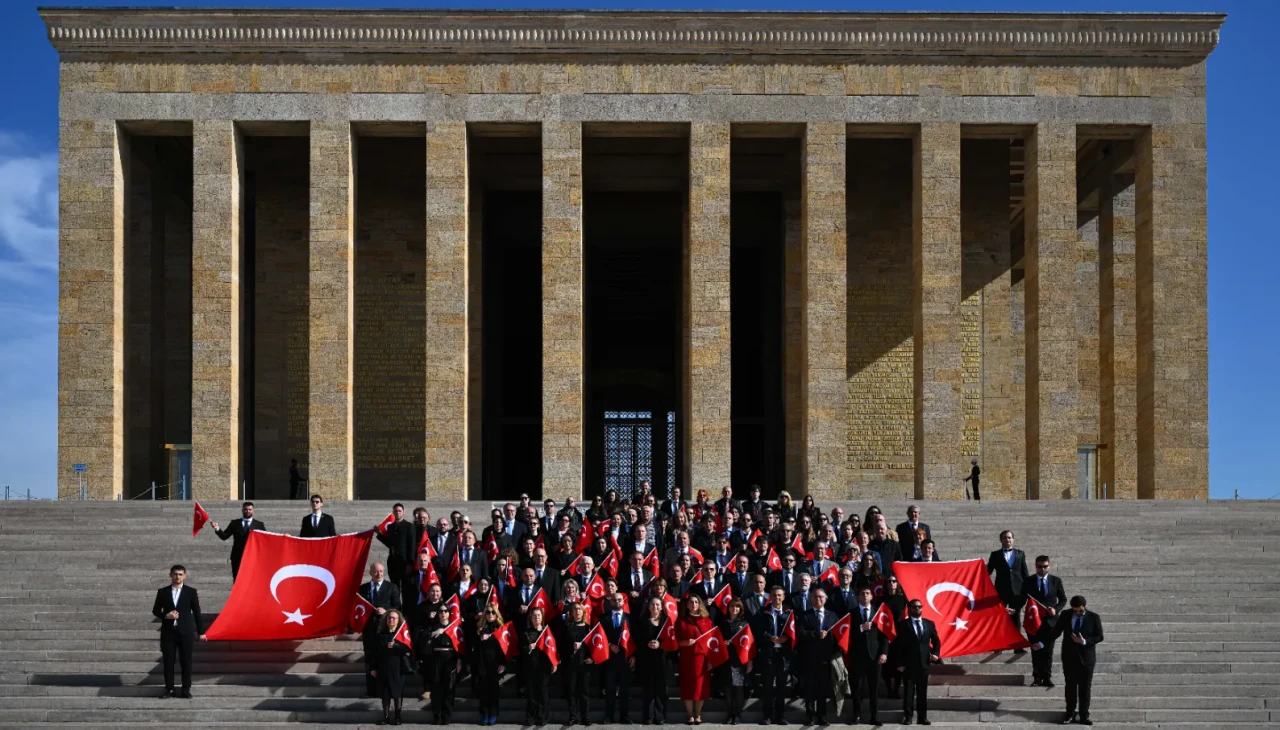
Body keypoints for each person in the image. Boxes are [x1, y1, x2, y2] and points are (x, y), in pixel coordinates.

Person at [1032, 595, 1103, 726]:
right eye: (1075, 611)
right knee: (1070, 688)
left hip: (1086, 659)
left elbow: (1099, 636)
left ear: (1084, 607)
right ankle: (1070, 713)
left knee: (1085, 688)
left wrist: (1084, 641)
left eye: (1080, 611)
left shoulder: (1094, 617)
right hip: (1069, 658)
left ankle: (1083, 715)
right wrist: (1042, 644)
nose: (1078, 613)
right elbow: (1055, 632)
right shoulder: (1065, 615)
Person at [151, 564, 205, 698]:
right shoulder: (163, 592)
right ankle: (169, 689)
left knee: (186, 661)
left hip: (185, 632)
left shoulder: (191, 592)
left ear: (185, 576)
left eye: (180, 574)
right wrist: (166, 615)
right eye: (175, 574)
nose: (177, 577)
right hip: (169, 632)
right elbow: (156, 610)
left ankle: (186, 689)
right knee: (168, 661)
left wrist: (201, 632)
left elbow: (197, 613)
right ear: (170, 575)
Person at [894, 599, 941, 726]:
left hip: (923, 664)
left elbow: (936, 641)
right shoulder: (903, 625)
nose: (917, 609)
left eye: (920, 607)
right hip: (908, 664)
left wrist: (936, 654)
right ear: (909, 608)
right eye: (914, 607)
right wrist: (899, 663)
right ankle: (908, 717)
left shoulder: (929, 624)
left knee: (922, 692)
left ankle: (922, 717)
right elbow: (897, 646)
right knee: (908, 692)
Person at [360, 563, 404, 698]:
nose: (379, 574)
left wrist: (387, 611)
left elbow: (398, 606)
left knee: (384, 659)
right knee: (369, 658)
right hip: (369, 630)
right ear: (370, 572)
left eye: (381, 571)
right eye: (376, 571)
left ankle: (385, 689)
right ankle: (371, 689)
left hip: (386, 629)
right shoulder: (363, 588)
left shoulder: (391, 587)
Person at [750, 586, 792, 725]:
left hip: (783, 655)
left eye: (779, 595)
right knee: (767, 686)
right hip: (768, 654)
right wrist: (769, 637)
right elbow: (757, 632)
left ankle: (780, 716)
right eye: (774, 595)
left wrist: (786, 638)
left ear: (784, 597)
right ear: (770, 597)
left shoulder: (789, 613)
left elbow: (794, 631)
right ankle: (767, 716)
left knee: (781, 687)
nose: (777, 598)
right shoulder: (763, 613)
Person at [797, 587, 838, 725]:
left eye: (821, 597)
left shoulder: (832, 615)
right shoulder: (804, 615)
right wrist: (815, 635)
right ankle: (810, 716)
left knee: (822, 688)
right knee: (809, 689)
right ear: (811, 599)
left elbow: (838, 635)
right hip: (809, 657)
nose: (818, 599)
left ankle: (822, 716)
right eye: (815, 597)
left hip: (825, 657)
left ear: (826, 599)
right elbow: (800, 633)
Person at [1026, 555, 1068, 688]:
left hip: (1051, 622)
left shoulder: (1056, 581)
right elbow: (1021, 597)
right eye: (1039, 566)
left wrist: (1056, 609)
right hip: (1034, 621)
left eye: (1045, 566)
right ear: (1035, 566)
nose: (1042, 569)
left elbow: (1063, 599)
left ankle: (1047, 678)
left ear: (1049, 565)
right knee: (1035, 650)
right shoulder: (1029, 581)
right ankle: (1037, 678)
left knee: (1048, 650)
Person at [847, 587, 887, 726]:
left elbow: (884, 636)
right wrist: (860, 628)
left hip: (875, 657)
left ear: (871, 597)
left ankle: (874, 717)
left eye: (867, 594)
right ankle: (857, 716)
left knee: (873, 689)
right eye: (862, 594)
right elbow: (847, 634)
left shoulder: (878, 613)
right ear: (858, 597)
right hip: (857, 657)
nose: (865, 596)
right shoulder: (851, 613)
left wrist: (884, 652)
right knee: (857, 688)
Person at [987, 530, 1030, 653]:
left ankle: (1017, 646)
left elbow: (1024, 572)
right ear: (1001, 540)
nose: (1008, 540)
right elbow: (988, 571)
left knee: (1016, 618)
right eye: (1005, 538)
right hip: (1001, 590)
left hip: (1017, 591)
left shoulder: (1020, 554)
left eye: (1010, 538)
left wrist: (1027, 589)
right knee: (1000, 618)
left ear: (1013, 539)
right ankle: (998, 645)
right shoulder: (995, 555)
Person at [676, 593, 715, 724]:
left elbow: (712, 642)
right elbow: (675, 641)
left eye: (696, 602)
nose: (693, 604)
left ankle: (698, 714)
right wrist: (685, 642)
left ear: (700, 604)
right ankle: (689, 715)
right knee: (688, 686)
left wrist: (710, 660)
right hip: (687, 658)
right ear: (687, 605)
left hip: (702, 659)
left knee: (700, 687)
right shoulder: (681, 621)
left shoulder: (707, 621)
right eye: (691, 602)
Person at [635, 596, 671, 725]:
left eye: (657, 605)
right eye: (652, 604)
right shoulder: (642, 621)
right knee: (648, 690)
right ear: (648, 606)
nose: (655, 607)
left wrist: (660, 645)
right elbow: (637, 640)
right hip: (646, 660)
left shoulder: (667, 621)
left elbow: (671, 641)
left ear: (661, 607)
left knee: (661, 690)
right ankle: (648, 716)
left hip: (662, 661)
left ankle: (659, 716)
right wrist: (647, 644)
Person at [373, 609, 412, 725]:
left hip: (398, 667)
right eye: (389, 618)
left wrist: (396, 645)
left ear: (398, 620)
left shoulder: (402, 634)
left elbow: (408, 649)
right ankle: (385, 717)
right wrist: (373, 668)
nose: (391, 620)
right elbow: (375, 653)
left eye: (394, 618)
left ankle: (398, 717)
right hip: (384, 667)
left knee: (397, 693)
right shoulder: (381, 635)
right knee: (385, 694)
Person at [602, 592, 635, 723]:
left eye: (619, 600)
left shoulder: (630, 619)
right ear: (610, 602)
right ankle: (609, 716)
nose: (617, 602)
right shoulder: (603, 618)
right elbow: (600, 637)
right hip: (609, 658)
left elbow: (635, 638)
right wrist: (609, 645)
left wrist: (633, 655)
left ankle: (624, 716)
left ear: (623, 602)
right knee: (610, 689)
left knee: (625, 689)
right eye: (614, 600)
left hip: (626, 658)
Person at [210, 501, 264, 580]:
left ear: (253, 510)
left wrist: (283, 537)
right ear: (242, 510)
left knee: (251, 580)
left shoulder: (259, 524)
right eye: (246, 509)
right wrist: (217, 528)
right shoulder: (234, 523)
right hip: (237, 557)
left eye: (250, 509)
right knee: (237, 580)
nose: (248, 511)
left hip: (252, 557)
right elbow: (224, 536)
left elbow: (265, 539)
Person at [561, 601, 594, 726]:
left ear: (583, 611)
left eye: (579, 609)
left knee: (584, 692)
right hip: (570, 665)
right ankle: (573, 716)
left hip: (585, 665)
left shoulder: (589, 628)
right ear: (571, 613)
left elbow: (595, 646)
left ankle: (585, 716)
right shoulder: (566, 628)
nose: (577, 611)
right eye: (575, 609)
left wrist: (592, 658)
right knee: (572, 691)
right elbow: (560, 646)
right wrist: (571, 646)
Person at [426, 606, 460, 725]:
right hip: (436, 658)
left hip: (450, 658)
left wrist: (459, 660)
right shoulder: (433, 626)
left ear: (449, 613)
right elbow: (424, 639)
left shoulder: (454, 626)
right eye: (441, 611)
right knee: (436, 689)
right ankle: (437, 715)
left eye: (445, 611)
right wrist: (435, 632)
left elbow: (459, 644)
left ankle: (446, 716)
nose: (443, 613)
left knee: (449, 689)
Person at [522, 606, 555, 726]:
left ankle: (542, 717)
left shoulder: (546, 632)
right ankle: (530, 717)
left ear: (542, 618)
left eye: (538, 615)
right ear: (531, 618)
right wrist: (527, 648)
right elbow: (519, 649)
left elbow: (552, 648)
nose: (536, 617)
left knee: (542, 691)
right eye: (534, 615)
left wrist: (553, 663)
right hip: (530, 666)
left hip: (544, 667)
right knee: (531, 693)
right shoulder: (526, 632)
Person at [474, 604, 507, 725]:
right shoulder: (480, 627)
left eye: (493, 612)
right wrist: (480, 640)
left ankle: (493, 714)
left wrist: (503, 664)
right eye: (488, 612)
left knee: (493, 691)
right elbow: (474, 646)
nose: (490, 615)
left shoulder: (501, 628)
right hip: (483, 663)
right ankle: (485, 714)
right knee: (483, 691)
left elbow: (505, 648)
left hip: (495, 664)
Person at [721, 598, 750, 725]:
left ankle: (737, 715)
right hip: (725, 659)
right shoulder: (722, 623)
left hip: (739, 660)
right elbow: (715, 640)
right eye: (732, 606)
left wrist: (750, 662)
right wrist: (723, 643)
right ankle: (730, 714)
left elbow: (749, 644)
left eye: (737, 607)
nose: (734, 609)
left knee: (738, 688)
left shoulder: (744, 624)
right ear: (728, 608)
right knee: (727, 688)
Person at [378, 503, 416, 580]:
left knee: (405, 585)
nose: (398, 512)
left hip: (404, 561)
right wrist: (379, 534)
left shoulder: (409, 526)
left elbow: (412, 546)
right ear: (393, 512)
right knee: (394, 585)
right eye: (396, 511)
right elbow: (389, 543)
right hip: (392, 561)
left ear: (403, 512)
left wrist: (410, 563)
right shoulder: (390, 526)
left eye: (399, 511)